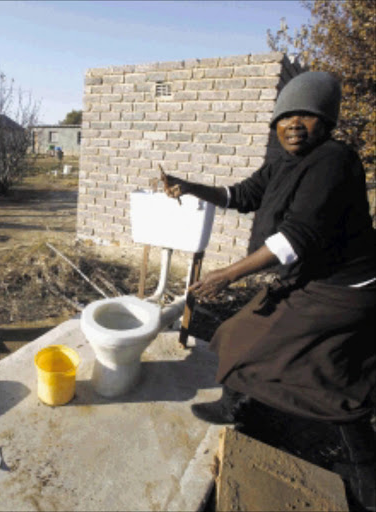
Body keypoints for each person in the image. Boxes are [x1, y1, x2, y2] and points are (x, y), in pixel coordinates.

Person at [163, 71, 375, 511]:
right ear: (275, 121)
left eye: (310, 115)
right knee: (240, 333)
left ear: (328, 123)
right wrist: (189, 187)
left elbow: (298, 236)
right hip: (310, 280)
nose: (296, 123)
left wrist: (229, 274)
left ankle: (366, 471)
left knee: (327, 380)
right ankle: (234, 406)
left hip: (344, 290)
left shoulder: (333, 161)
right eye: (288, 114)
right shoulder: (281, 159)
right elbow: (241, 194)